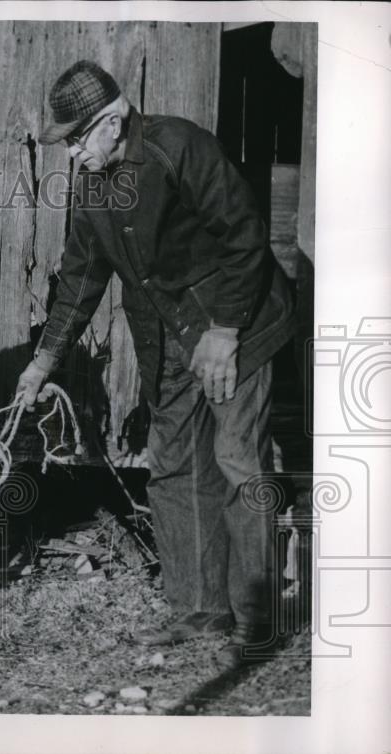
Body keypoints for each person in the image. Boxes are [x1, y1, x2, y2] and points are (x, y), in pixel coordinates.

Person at [18, 60, 295, 667]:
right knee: (173, 468)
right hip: (168, 340)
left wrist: (223, 332)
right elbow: (80, 279)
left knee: (238, 459)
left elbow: (246, 237)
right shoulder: (92, 186)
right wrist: (43, 362)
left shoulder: (180, 147)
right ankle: (201, 610)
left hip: (236, 323)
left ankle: (257, 616)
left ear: (113, 123)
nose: (71, 156)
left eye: (76, 139)